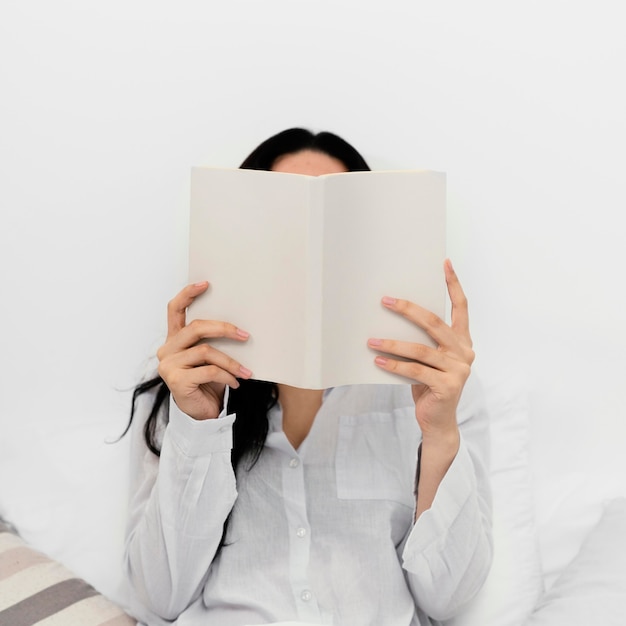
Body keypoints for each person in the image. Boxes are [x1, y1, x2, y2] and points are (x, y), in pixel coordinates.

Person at [122, 128, 493, 626]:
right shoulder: (186, 378)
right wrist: (198, 423)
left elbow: (450, 601)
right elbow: (156, 598)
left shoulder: (435, 387)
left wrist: (440, 433)